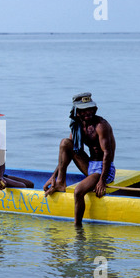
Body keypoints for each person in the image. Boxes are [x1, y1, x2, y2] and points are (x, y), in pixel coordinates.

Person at [43, 93, 116, 226]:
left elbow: (108, 154)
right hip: (90, 165)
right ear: (78, 112)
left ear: (95, 109)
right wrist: (53, 176)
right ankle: (60, 182)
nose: (87, 113)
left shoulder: (101, 125)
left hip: (104, 169)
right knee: (65, 143)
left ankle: (78, 228)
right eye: (84, 110)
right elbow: (66, 153)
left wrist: (102, 181)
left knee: (78, 191)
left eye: (90, 109)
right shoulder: (78, 126)